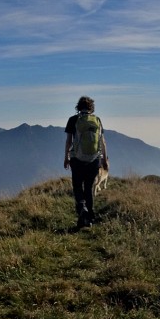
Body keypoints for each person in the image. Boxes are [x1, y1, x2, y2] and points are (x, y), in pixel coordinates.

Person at [63, 96, 108, 228]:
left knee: (77, 186)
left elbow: (68, 141)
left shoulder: (73, 120)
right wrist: (104, 159)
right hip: (94, 160)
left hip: (77, 159)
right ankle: (90, 217)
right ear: (91, 108)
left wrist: (66, 157)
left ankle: (82, 208)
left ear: (78, 107)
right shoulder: (97, 120)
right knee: (88, 187)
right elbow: (103, 142)